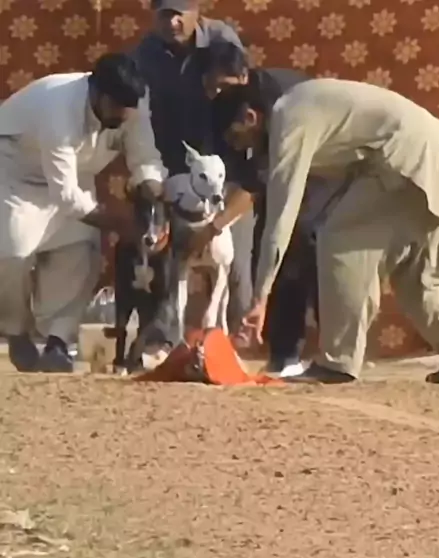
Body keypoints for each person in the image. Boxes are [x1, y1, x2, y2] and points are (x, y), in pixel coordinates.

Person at [220, 78, 439, 384]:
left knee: (338, 240)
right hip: (431, 159)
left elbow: (280, 215)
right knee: (416, 277)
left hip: (402, 160)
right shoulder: (304, 106)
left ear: (250, 116)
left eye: (235, 137)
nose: (240, 147)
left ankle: (338, 362)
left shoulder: (287, 119)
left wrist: (260, 297)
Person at [0, 52, 167, 372]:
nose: (124, 116)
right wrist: (122, 224)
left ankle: (58, 342)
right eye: (117, 108)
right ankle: (15, 330)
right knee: (13, 252)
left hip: (74, 174)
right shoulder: (59, 110)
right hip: (16, 172)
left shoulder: (133, 103)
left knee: (80, 249)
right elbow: (67, 197)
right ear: (97, 93)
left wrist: (152, 194)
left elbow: (145, 157)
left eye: (129, 109)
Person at [190, 41, 340, 375]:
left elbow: (255, 183)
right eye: (211, 87)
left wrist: (214, 228)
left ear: (244, 77)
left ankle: (335, 352)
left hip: (327, 172)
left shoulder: (282, 105)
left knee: (304, 247)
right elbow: (239, 173)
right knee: (269, 248)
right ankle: (283, 353)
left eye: (224, 86)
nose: (217, 94)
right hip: (283, 174)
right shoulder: (224, 111)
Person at [119, 0, 246, 351]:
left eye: (180, 13)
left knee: (232, 261)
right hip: (171, 168)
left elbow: (241, 91)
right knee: (165, 256)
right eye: (165, 14)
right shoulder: (144, 55)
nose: (172, 22)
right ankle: (164, 340)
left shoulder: (222, 40)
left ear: (197, 11)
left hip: (224, 169)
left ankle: (231, 344)